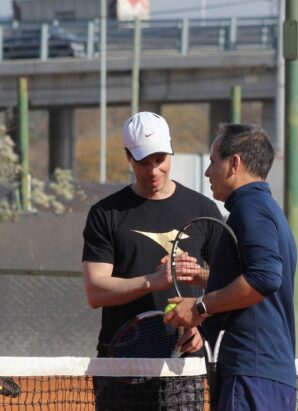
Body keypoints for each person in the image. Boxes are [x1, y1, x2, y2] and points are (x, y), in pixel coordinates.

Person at [81, 112, 223, 410]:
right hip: (119, 363)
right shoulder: (106, 214)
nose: (154, 170)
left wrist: (202, 322)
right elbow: (95, 291)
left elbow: (229, 282)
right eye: (144, 161)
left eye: (160, 159)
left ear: (171, 151)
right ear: (128, 157)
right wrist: (153, 281)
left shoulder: (203, 209)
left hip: (183, 363)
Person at [164, 123, 297, 411]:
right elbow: (255, 277)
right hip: (265, 376)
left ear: (234, 163)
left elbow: (264, 278)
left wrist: (199, 307)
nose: (207, 171)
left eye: (213, 161)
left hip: (252, 376)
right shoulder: (265, 208)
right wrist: (202, 279)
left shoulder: (251, 208)